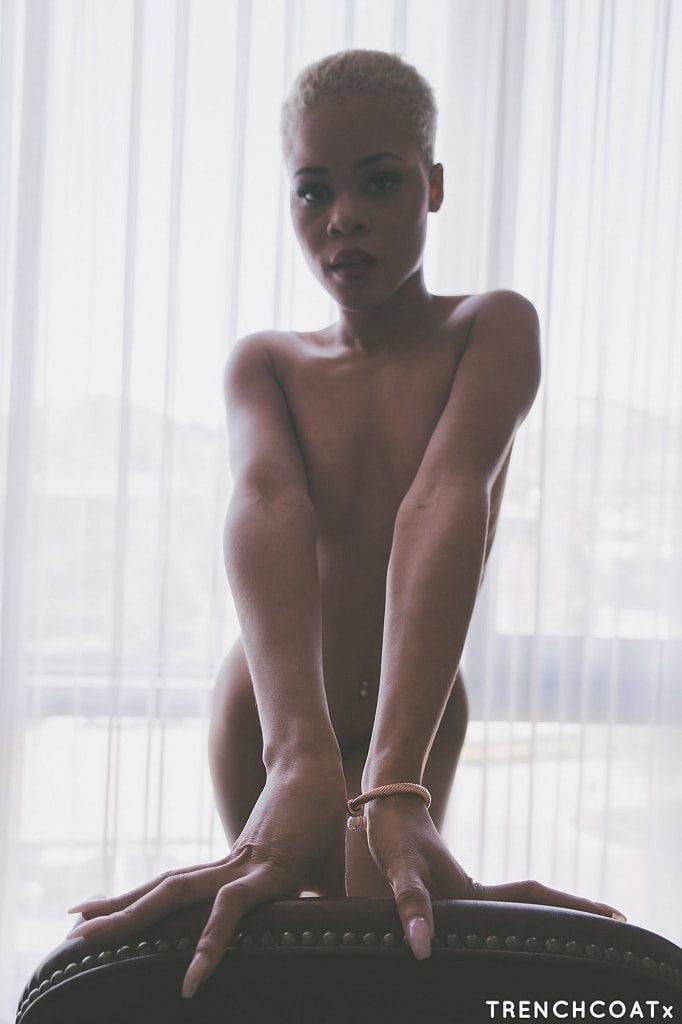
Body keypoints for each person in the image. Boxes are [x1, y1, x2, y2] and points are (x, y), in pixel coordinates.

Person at [66, 48, 626, 999]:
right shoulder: (267, 362)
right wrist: (295, 753)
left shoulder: (491, 327)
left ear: (433, 185)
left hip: (415, 707)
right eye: (313, 190)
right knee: (276, 963)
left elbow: (443, 498)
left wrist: (394, 774)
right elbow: (267, 502)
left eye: (380, 182)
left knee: (385, 960)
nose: (344, 217)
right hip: (272, 711)